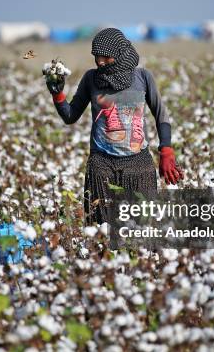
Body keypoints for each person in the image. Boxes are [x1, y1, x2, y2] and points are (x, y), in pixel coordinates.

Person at [46, 28, 184, 224]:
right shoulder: (91, 79)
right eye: (97, 57)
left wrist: (167, 150)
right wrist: (58, 95)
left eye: (106, 57)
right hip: (101, 165)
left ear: (119, 54)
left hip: (139, 164)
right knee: (102, 228)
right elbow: (70, 116)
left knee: (143, 228)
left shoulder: (143, 77)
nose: (100, 62)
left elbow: (160, 112)